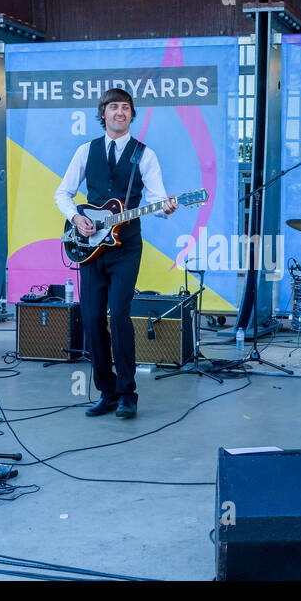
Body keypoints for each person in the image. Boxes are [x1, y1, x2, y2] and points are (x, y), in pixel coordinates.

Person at [54, 88, 178, 420]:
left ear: (131, 115)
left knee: (119, 316)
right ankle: (106, 392)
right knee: (92, 319)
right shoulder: (86, 151)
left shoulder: (144, 154)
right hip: (90, 248)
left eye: (125, 107)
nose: (119, 112)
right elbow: (63, 193)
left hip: (126, 247)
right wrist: (76, 218)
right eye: (113, 107)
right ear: (103, 113)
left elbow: (158, 200)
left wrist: (167, 208)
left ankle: (127, 394)